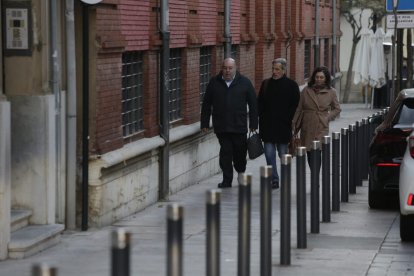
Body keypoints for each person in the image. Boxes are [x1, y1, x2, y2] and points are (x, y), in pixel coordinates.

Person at [201, 58, 258, 188]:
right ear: (222, 68)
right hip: (222, 126)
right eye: (225, 68)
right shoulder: (214, 83)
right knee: (225, 153)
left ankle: (241, 171)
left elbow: (253, 104)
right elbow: (206, 104)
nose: (227, 71)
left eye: (230, 68)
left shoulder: (245, 82)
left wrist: (254, 124)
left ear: (235, 68)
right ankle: (227, 180)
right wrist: (204, 123)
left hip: (239, 125)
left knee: (240, 152)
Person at [258, 58, 300, 189]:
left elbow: (296, 106)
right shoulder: (265, 84)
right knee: (269, 155)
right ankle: (274, 179)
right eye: (273, 69)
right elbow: (259, 104)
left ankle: (285, 178)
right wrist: (260, 119)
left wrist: (290, 121)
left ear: (284, 70)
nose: (274, 72)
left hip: (283, 128)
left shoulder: (292, 85)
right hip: (267, 127)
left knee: (283, 155)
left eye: (277, 69)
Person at [292, 66, 341, 170]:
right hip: (307, 124)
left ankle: (316, 178)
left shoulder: (331, 92)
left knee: (317, 151)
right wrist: (294, 124)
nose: (318, 79)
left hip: (321, 125)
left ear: (326, 79)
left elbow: (337, 109)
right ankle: (315, 175)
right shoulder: (306, 90)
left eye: (321, 77)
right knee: (309, 152)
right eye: (317, 77)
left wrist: (327, 117)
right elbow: (299, 108)